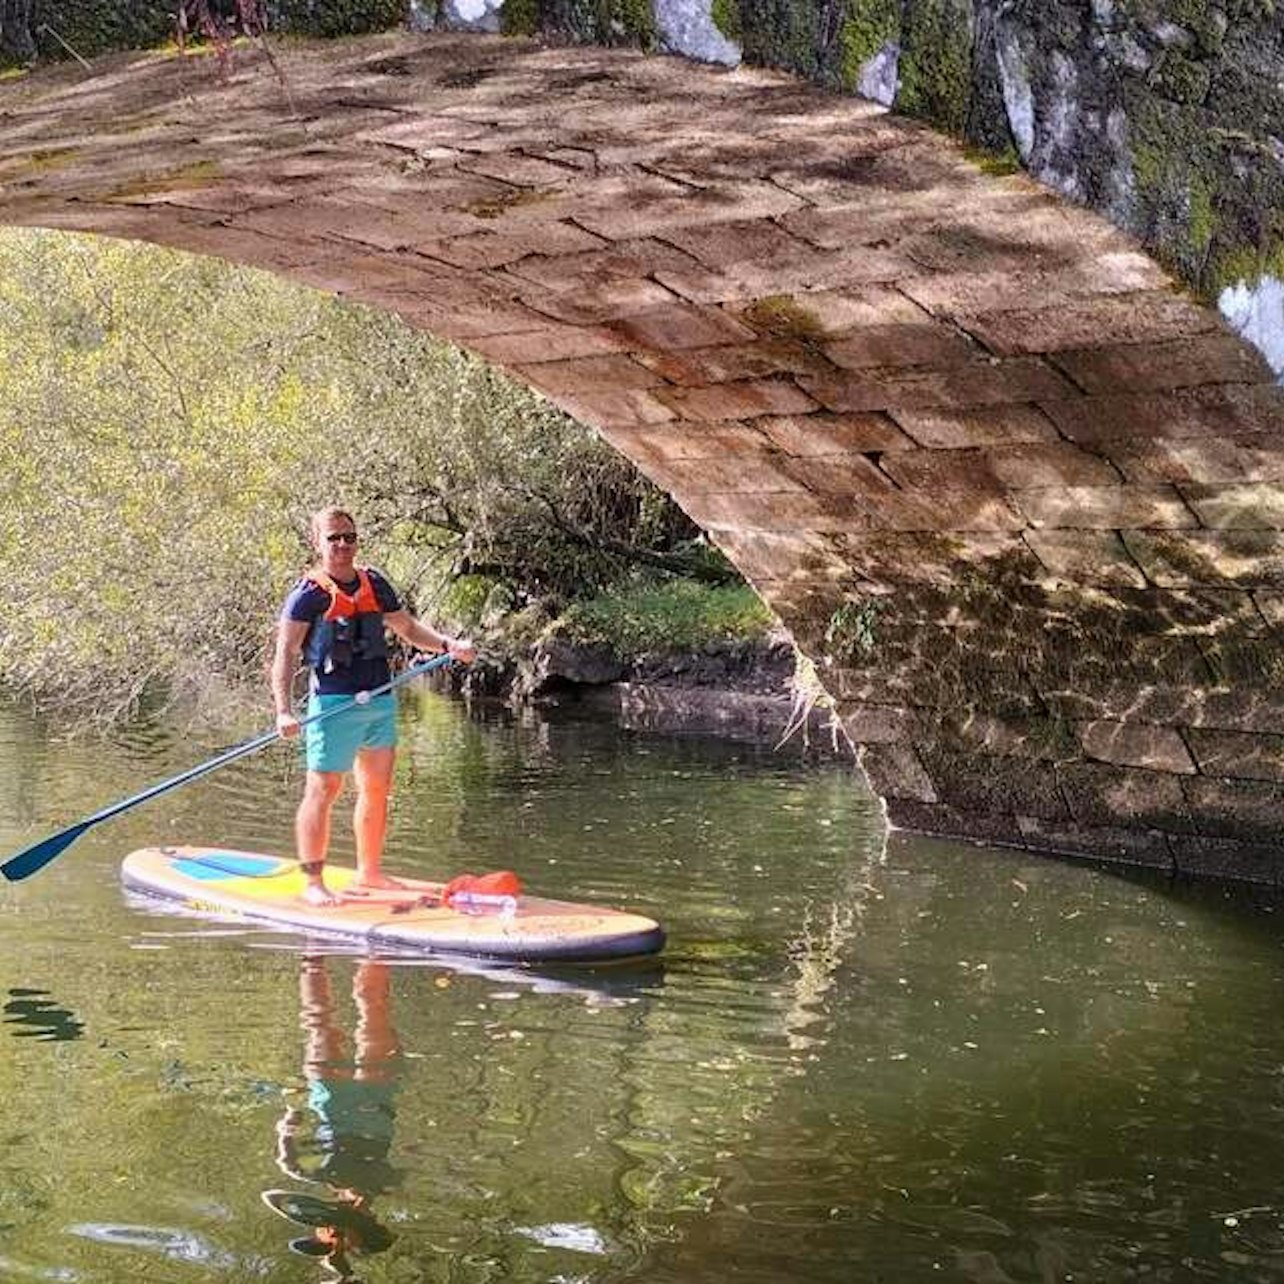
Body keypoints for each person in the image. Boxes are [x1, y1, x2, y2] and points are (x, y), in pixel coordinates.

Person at [271, 506, 474, 906]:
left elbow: (409, 629)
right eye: (334, 538)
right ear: (318, 543)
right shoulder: (307, 596)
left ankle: (371, 873)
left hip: (379, 700)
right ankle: (313, 881)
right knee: (324, 789)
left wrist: (449, 646)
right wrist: (283, 709)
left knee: (378, 788)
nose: (343, 545)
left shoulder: (375, 583)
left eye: (349, 536)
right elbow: (286, 654)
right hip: (333, 704)